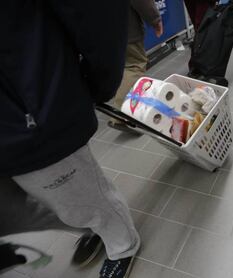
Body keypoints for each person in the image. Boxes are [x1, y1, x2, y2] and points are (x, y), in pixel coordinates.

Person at [0, 1, 141, 277]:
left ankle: (122, 242)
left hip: (29, 114)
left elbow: (98, 12)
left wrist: (100, 82)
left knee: (78, 196)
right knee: (21, 210)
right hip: (20, 115)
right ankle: (96, 225)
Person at [109, 0, 163, 132]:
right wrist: (155, 19)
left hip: (101, 30)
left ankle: (130, 105)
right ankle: (120, 115)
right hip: (125, 28)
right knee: (134, 66)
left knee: (121, 67)